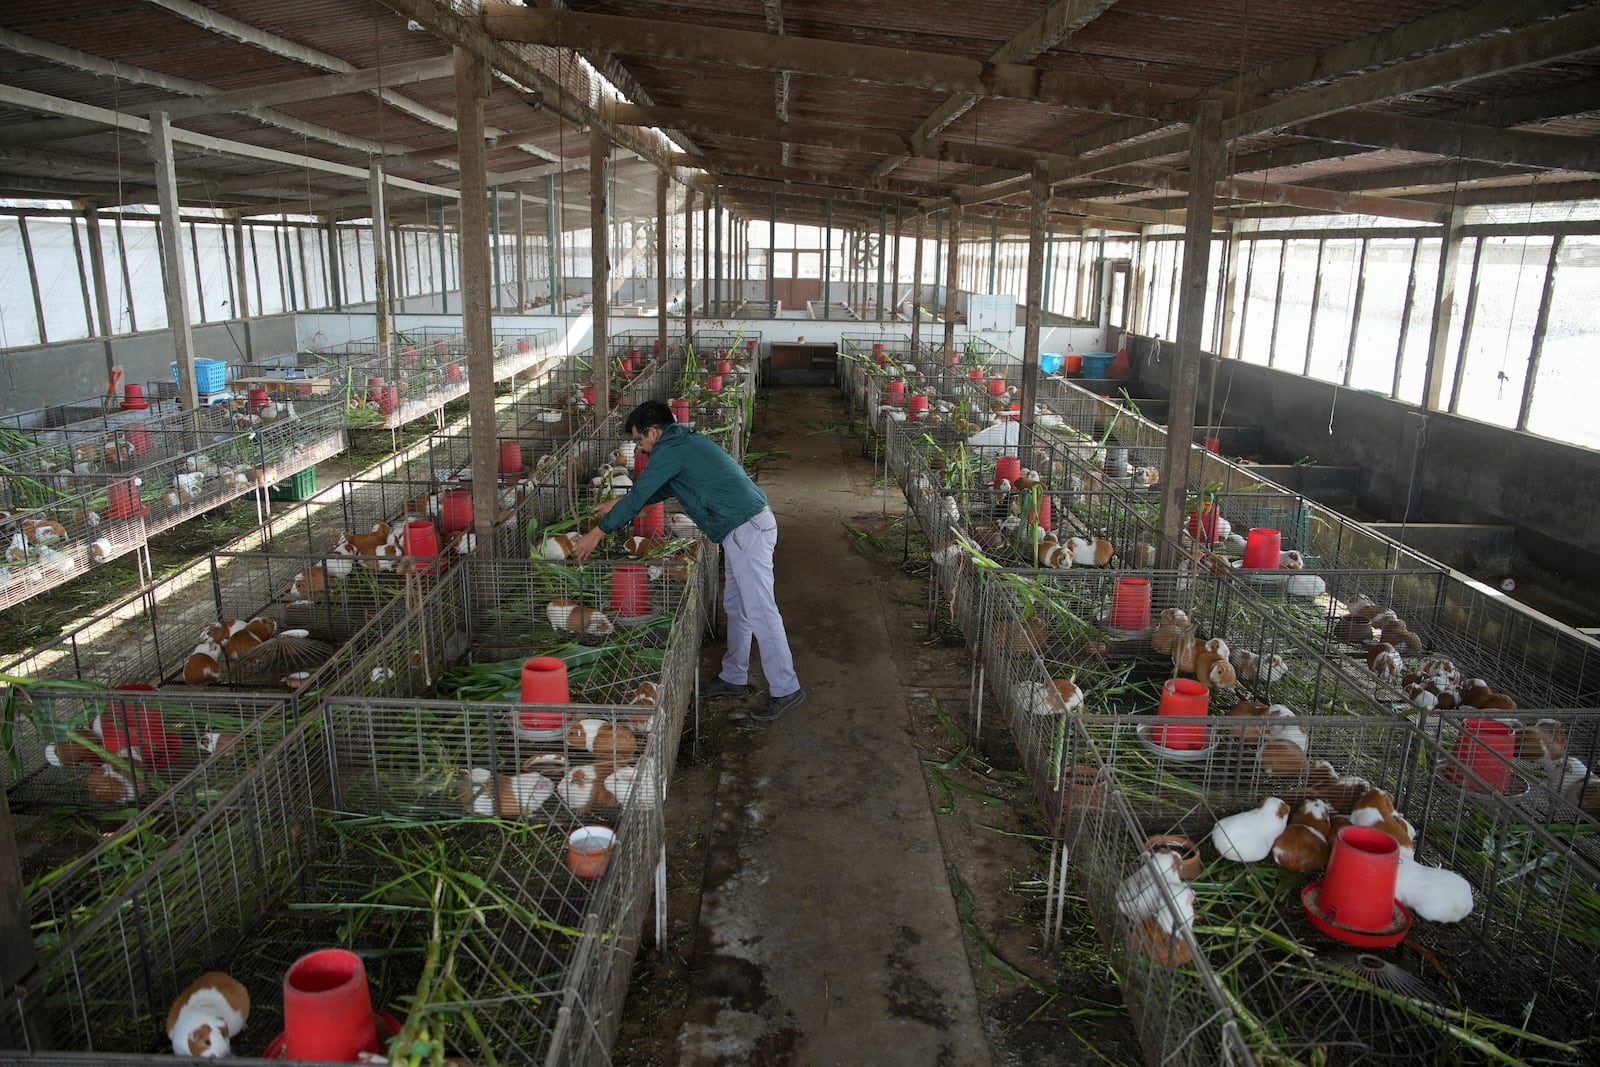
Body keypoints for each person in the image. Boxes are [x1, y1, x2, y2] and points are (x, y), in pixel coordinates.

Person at [572, 399, 804, 721]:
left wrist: (597, 533)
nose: (640, 448)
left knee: (761, 611)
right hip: (740, 528)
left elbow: (643, 493)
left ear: (653, 432)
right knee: (738, 607)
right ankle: (734, 678)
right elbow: (658, 489)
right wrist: (618, 503)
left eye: (640, 440)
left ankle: (786, 688)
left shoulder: (670, 450)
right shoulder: (680, 442)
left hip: (746, 529)